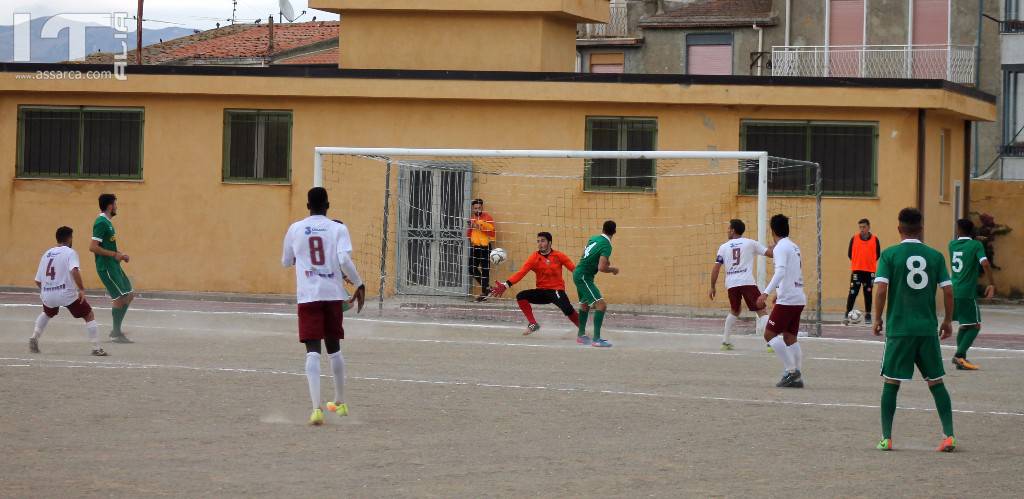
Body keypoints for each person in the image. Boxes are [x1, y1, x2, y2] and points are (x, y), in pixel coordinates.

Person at [872, 208, 956, 452]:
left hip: (899, 329)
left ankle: (887, 438)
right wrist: (948, 321)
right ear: (921, 229)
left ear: (899, 229)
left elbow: (880, 290)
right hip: (927, 329)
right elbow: (948, 291)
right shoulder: (935, 256)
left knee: (891, 381)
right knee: (936, 381)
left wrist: (877, 318)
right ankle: (949, 435)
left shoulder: (889, 255)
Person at [282, 187, 366, 426]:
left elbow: (287, 261)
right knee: (334, 348)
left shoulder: (295, 228)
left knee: (312, 351)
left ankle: (316, 409)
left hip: (308, 295)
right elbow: (343, 260)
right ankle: (340, 402)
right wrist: (359, 283)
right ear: (328, 204)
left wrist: (303, 256)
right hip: (332, 294)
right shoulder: (338, 228)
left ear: (307, 206)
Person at [31, 226, 107, 357]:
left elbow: (37, 281)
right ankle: (96, 348)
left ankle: (34, 337)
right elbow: (74, 270)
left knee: (47, 313)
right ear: (69, 238)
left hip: (48, 294)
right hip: (66, 293)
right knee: (89, 315)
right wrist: (82, 289)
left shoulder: (46, 254)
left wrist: (48, 289)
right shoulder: (70, 252)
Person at [490, 232, 579, 335]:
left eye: (543, 241)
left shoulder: (559, 256)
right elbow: (521, 273)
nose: (540, 244)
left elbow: (574, 270)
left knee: (568, 310)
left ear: (549, 242)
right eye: (538, 241)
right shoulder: (534, 258)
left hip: (556, 290)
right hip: (541, 292)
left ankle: (583, 330)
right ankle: (533, 324)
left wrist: (583, 277)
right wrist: (506, 285)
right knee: (521, 296)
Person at [757, 214, 806, 388]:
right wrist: (780, 291)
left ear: (773, 230)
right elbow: (793, 272)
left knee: (769, 334)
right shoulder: (794, 246)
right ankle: (797, 375)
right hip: (798, 296)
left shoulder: (780, 248)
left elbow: (780, 272)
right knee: (790, 337)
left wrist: (765, 293)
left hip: (788, 300)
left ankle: (792, 371)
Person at [708, 219, 772, 350]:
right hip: (747, 281)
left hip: (731, 284)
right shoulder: (750, 243)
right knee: (761, 311)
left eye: (728, 228)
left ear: (732, 230)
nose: (727, 231)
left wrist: (712, 286)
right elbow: (770, 254)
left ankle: (725, 342)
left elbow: (716, 268)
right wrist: (776, 247)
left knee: (735, 310)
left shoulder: (723, 247)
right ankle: (771, 343)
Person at [948, 218, 996, 370]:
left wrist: (975, 239)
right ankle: (959, 355)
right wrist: (992, 283)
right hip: (966, 291)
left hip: (953, 289)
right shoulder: (976, 245)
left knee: (964, 325)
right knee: (975, 325)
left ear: (958, 231)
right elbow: (985, 263)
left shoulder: (952, 244)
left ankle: (961, 362)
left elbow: (965, 246)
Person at [90, 193, 134, 343]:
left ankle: (116, 329)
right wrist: (114, 254)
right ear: (110, 206)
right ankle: (116, 332)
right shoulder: (101, 222)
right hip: (106, 267)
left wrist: (120, 255)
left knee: (129, 294)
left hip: (114, 265)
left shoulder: (108, 222)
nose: (116, 207)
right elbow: (93, 247)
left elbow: (107, 246)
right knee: (119, 297)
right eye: (115, 204)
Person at [574, 220, 619, 348]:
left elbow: (584, 255)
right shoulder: (607, 245)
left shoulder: (593, 238)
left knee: (584, 305)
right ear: (614, 232)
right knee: (601, 306)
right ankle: (596, 339)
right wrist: (613, 270)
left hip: (578, 273)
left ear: (603, 229)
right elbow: (601, 267)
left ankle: (581, 335)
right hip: (584, 277)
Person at [845, 218, 881, 325]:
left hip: (869, 271)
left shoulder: (875, 239)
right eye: (860, 227)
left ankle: (868, 315)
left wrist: (868, 262)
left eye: (864, 227)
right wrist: (858, 262)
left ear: (869, 227)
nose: (862, 229)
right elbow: (849, 254)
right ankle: (847, 313)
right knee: (853, 292)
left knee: (868, 293)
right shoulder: (854, 238)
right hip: (857, 271)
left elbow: (877, 254)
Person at [467, 198, 496, 301]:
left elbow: (491, 229)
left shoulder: (487, 217)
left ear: (482, 207)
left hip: (485, 247)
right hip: (475, 247)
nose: (477, 210)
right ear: (473, 209)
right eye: (475, 208)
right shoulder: (472, 218)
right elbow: (469, 233)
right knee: (471, 268)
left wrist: (478, 224)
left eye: (479, 208)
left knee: (485, 271)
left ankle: (484, 293)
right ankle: (488, 288)